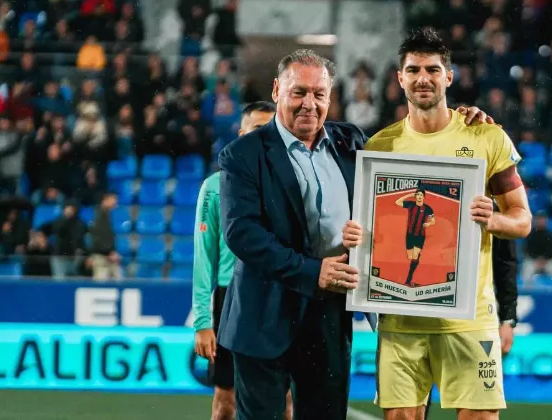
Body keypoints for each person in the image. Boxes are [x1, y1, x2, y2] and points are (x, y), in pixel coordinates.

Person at [216, 49, 494, 420]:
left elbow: (413, 157)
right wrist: (313, 272)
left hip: (329, 320)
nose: (309, 105)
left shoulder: (352, 143)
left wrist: (462, 120)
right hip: (263, 317)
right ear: (277, 89)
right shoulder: (242, 154)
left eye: (319, 94)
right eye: (299, 92)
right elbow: (242, 233)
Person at [342, 28, 532, 420]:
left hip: (467, 318)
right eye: (413, 70)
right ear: (400, 79)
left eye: (432, 69)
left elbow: (523, 220)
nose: (422, 78)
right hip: (399, 317)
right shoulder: (380, 147)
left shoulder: (486, 136)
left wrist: (493, 219)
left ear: (449, 76)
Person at [192, 101, 287, 420]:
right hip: (230, 301)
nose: (265, 137)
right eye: (258, 130)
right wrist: (204, 321)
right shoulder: (215, 187)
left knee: (285, 399)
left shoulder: (291, 185)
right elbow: (204, 258)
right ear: (242, 133)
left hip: (278, 298)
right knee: (225, 400)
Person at [424, 214, 519, 419]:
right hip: (416, 311)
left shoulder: (487, 196)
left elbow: (505, 261)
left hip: (471, 317)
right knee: (412, 409)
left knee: (480, 409)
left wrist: (508, 319)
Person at [396, 188, 435, 285]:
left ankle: (408, 279)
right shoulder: (410, 205)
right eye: (417, 194)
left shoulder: (428, 208)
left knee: (414, 257)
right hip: (409, 235)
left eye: (421, 195)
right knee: (410, 257)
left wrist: (428, 224)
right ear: (415, 196)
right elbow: (397, 202)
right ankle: (417, 256)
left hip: (420, 236)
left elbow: (433, 220)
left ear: (424, 197)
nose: (419, 196)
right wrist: (409, 195)